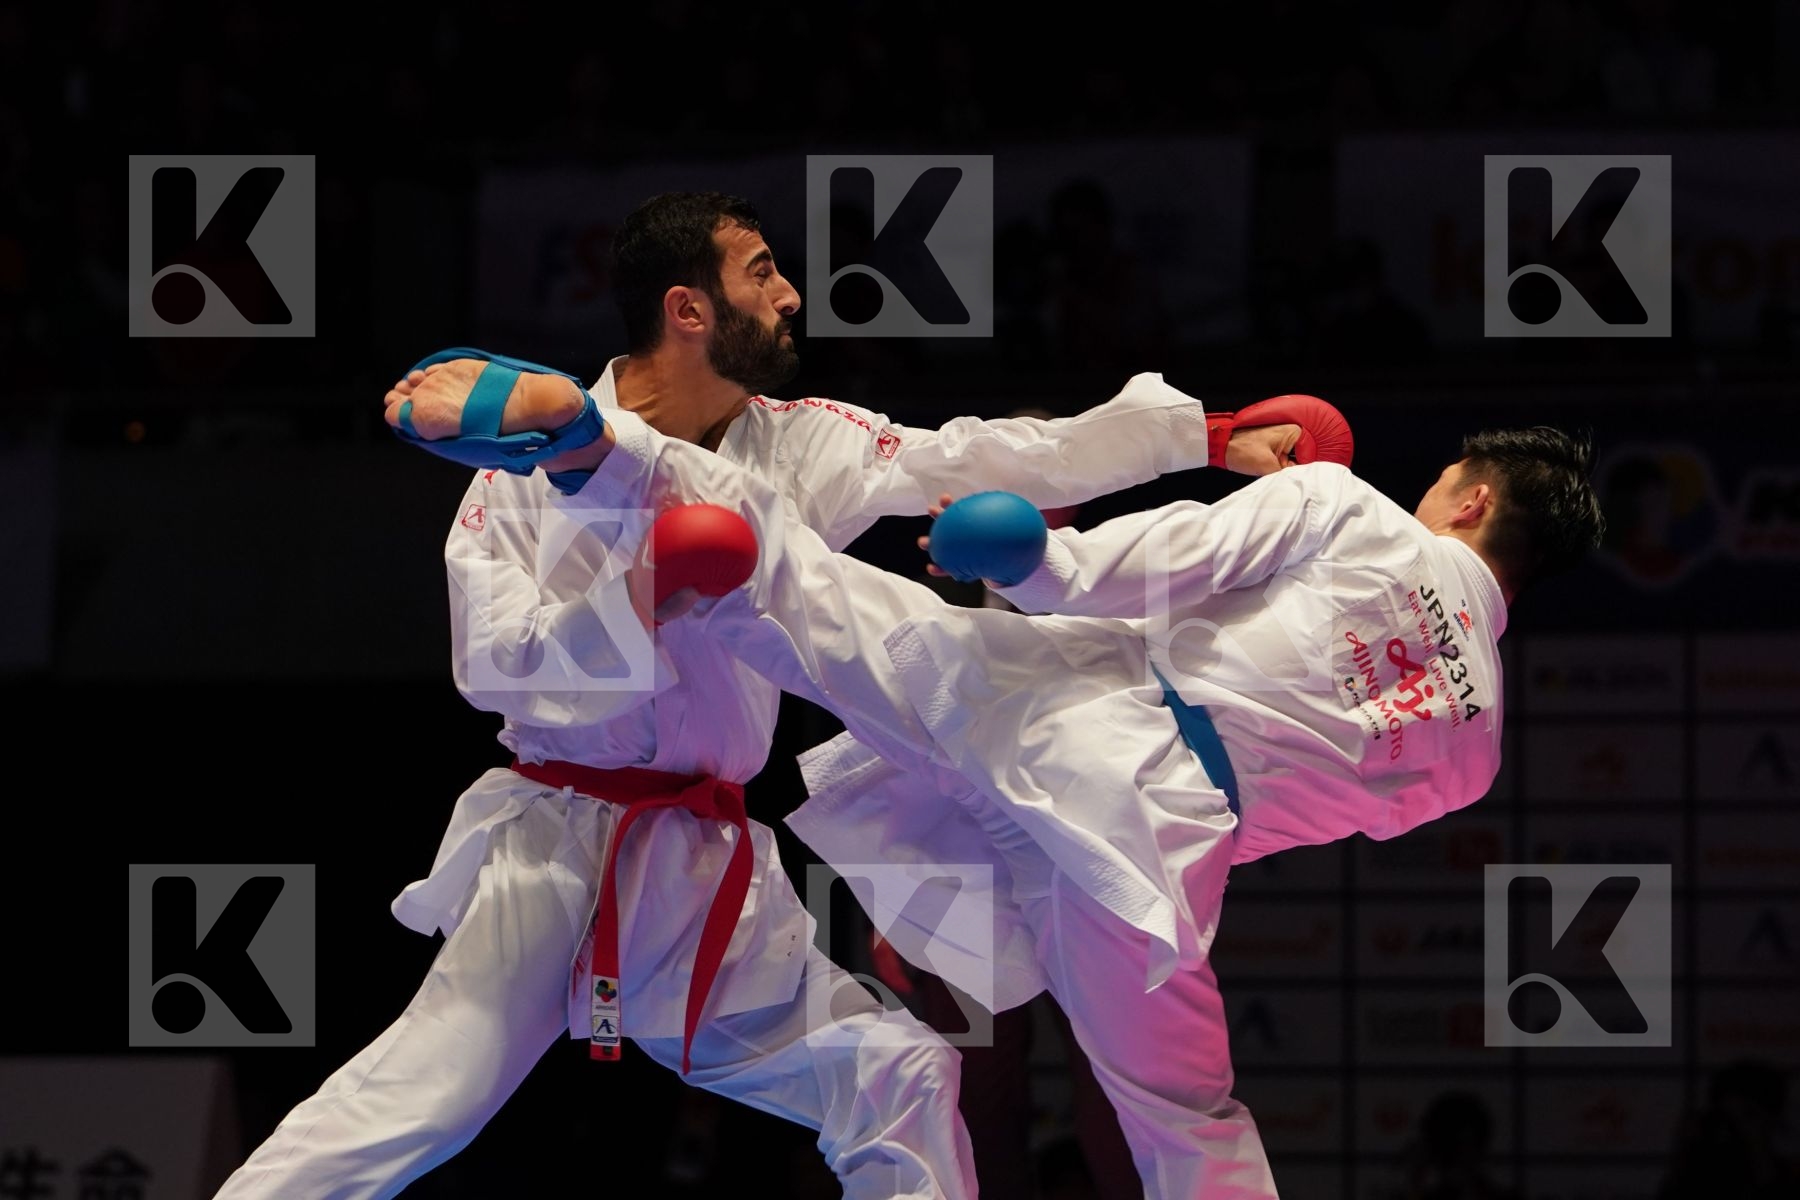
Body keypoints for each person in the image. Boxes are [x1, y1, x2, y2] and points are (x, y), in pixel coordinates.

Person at [218, 190, 1296, 1200]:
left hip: (707, 862)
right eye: (763, 272)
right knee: (415, 1105)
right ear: (688, 308)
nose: (790, 296)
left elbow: (985, 453)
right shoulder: (506, 472)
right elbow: (495, 670)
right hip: (558, 848)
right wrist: (641, 601)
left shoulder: (804, 440)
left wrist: (1196, 436)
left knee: (898, 1077)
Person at [386, 372, 1598, 1197]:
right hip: (1160, 869)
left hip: (1077, 722)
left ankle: (599, 445)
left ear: (1472, 500)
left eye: (1445, 478)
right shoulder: (1471, 748)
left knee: (801, 598)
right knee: (1190, 1121)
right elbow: (1294, 808)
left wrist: (1041, 558)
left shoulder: (1354, 512)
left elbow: (1162, 564)